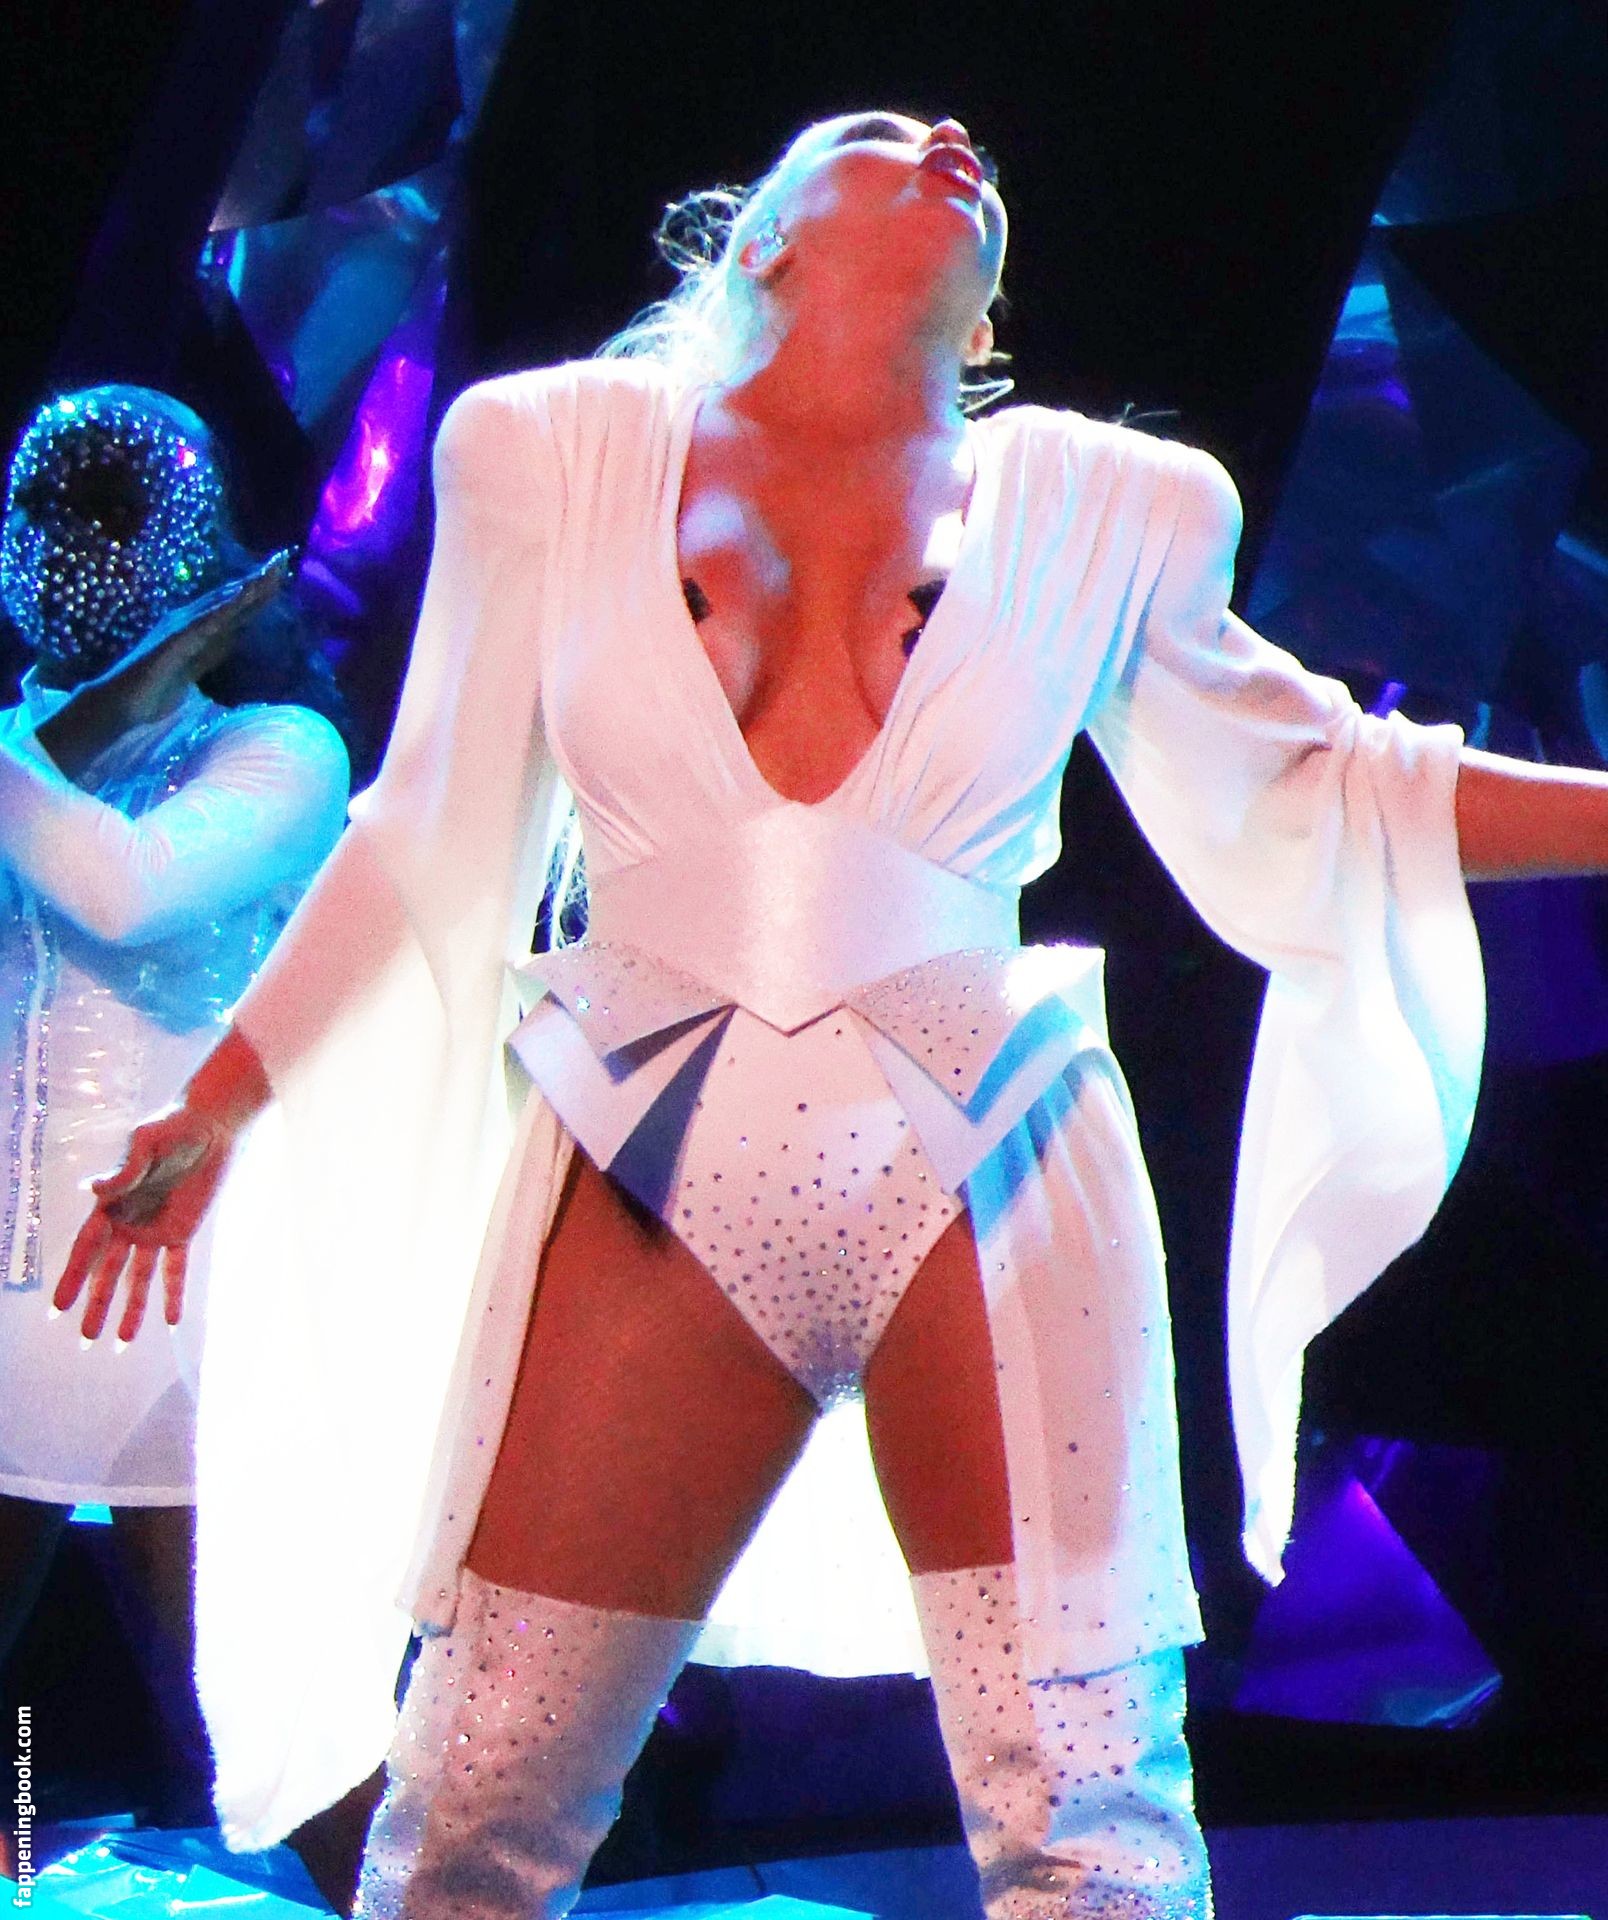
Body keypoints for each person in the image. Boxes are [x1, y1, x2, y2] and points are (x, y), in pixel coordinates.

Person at [51, 116, 1608, 1919]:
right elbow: (422, 828)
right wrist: (222, 1094)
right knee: (478, 1804)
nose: (951, 137)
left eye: (974, 155)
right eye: (880, 132)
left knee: (1092, 1814)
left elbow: (1328, 779)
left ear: (989, 312)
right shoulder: (547, 453)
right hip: (653, 1148)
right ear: (760, 239)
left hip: (991, 1140)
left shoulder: (1114, 505)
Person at [0, 387, 351, 1860]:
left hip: (172, 1270)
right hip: (14, 1285)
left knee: (255, 1729)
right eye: (40, 508)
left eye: (103, 512)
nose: (60, 545)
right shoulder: (31, 758)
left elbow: (126, 890)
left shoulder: (280, 751)